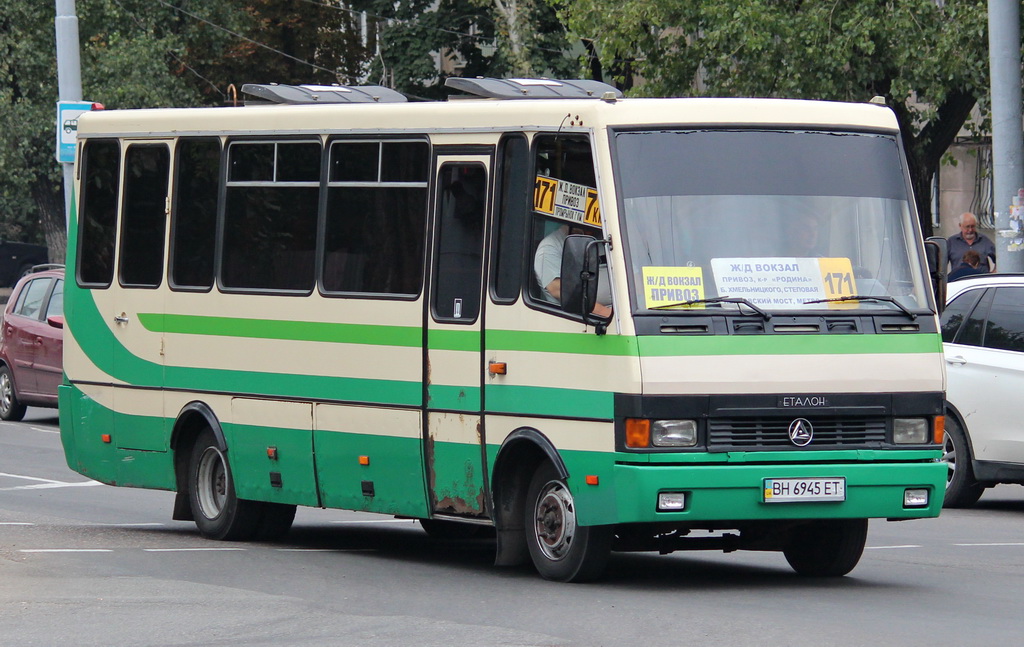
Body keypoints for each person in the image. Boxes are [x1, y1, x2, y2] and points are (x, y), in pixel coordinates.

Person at [534, 223, 612, 317]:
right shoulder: (549, 248)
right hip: (586, 318)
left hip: (623, 308)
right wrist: (604, 312)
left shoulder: (599, 237)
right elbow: (557, 289)